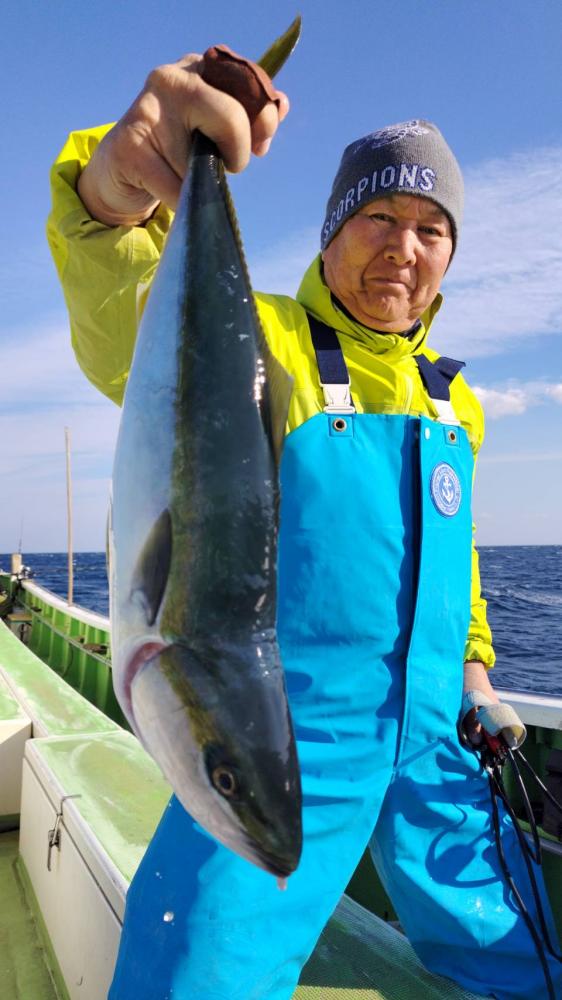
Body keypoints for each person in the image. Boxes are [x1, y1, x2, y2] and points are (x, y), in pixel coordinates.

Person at [47, 48, 561, 1000]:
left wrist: (477, 675)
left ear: (451, 253)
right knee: (193, 976)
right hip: (291, 739)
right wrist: (116, 187)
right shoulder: (269, 340)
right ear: (332, 231)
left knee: (528, 960)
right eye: (378, 217)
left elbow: (455, 569)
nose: (403, 247)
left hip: (436, 752)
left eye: (431, 228)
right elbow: (132, 317)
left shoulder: (456, 402)